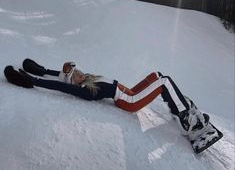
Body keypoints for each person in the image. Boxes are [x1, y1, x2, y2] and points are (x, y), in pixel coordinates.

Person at [4, 59, 209, 141]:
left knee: (156, 75)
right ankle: (187, 121)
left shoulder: (86, 78)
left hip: (128, 90)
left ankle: (177, 107)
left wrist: (42, 70)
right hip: (129, 100)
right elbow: (60, 85)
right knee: (163, 82)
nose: (78, 74)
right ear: (73, 84)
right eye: (74, 76)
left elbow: (61, 76)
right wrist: (34, 80)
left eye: (76, 71)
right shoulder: (85, 90)